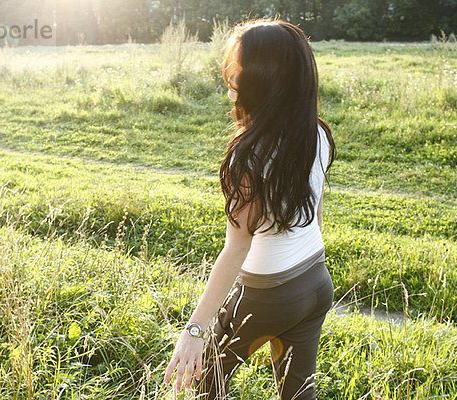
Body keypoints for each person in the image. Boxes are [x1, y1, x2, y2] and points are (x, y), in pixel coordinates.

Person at [163, 18, 336, 400]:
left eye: (238, 64)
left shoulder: (248, 156)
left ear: (263, 78)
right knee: (298, 393)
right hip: (316, 283)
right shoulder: (318, 133)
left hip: (266, 295)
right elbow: (317, 214)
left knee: (208, 382)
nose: (230, 72)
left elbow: (236, 248)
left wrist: (193, 332)